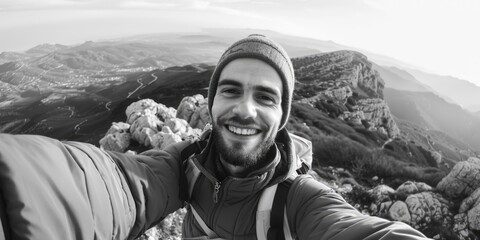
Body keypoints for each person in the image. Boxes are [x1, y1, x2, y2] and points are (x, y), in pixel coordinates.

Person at [0, 34, 429, 240]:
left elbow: (356, 231)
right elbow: (110, 188)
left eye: (266, 96)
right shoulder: (186, 164)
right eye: (230, 90)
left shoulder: (300, 201)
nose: (245, 108)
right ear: (212, 103)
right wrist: (14, 186)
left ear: (281, 117)